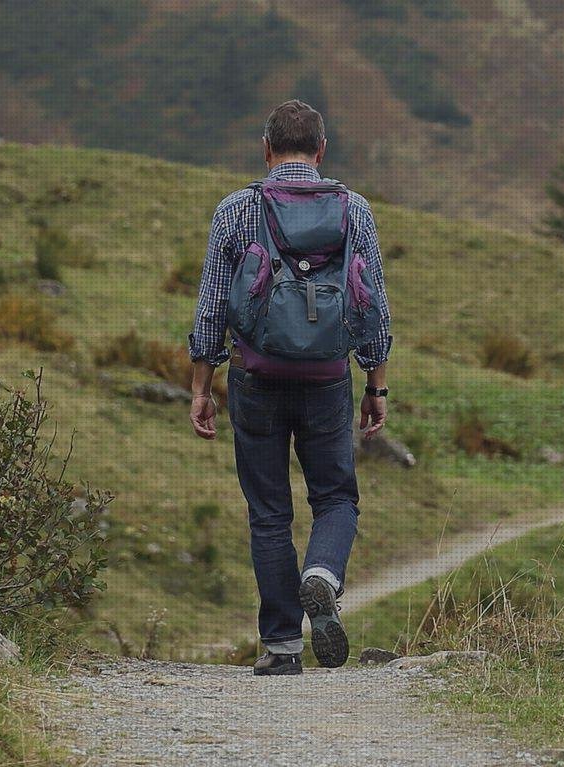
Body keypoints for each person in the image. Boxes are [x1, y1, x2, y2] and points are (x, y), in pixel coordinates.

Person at [187, 99, 393, 675]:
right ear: (321, 150)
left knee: (269, 512)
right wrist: (376, 384)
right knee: (335, 497)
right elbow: (372, 303)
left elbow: (210, 308)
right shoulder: (354, 210)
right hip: (328, 379)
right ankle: (322, 574)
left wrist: (202, 384)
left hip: (255, 376)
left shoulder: (235, 210)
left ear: (266, 149)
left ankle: (281, 646)